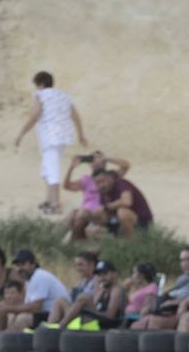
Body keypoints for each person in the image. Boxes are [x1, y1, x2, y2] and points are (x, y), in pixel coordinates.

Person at [13, 71, 88, 215]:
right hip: (64, 137)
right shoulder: (64, 95)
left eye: (36, 85)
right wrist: (81, 136)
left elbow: (34, 116)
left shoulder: (40, 95)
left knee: (51, 168)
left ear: (40, 84)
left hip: (50, 137)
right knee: (47, 167)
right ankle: (48, 200)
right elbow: (76, 117)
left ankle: (55, 204)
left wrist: (21, 134)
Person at [0, 249, 70, 332]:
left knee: (22, 319)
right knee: (11, 315)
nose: (19, 269)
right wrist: (6, 307)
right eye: (17, 266)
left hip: (56, 315)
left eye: (23, 265)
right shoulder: (29, 280)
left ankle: (20, 343)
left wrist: (8, 308)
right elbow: (28, 304)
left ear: (33, 264)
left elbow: (36, 306)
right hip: (44, 313)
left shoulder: (40, 276)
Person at [132, 248, 189, 330]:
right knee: (137, 324)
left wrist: (176, 302)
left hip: (183, 310)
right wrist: (152, 306)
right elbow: (168, 293)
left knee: (151, 322)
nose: (184, 264)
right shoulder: (183, 278)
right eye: (182, 260)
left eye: (188, 259)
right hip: (167, 309)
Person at [71, 168, 152, 240]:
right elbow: (107, 215)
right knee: (93, 214)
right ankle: (80, 239)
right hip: (118, 222)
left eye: (102, 181)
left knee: (122, 212)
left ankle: (131, 243)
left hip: (142, 222)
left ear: (109, 179)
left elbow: (127, 202)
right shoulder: (103, 193)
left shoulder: (121, 184)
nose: (101, 185)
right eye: (97, 183)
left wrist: (106, 207)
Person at [63, 151, 129, 235]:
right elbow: (67, 186)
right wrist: (71, 168)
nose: (96, 162)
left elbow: (126, 166)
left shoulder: (111, 177)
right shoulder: (86, 180)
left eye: (98, 159)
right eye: (92, 160)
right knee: (71, 215)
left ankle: (75, 238)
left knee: (83, 216)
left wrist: (107, 158)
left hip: (103, 214)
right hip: (85, 213)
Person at [48, 260, 124, 329]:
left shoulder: (116, 290)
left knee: (84, 297)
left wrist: (87, 309)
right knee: (60, 301)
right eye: (99, 275)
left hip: (106, 324)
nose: (101, 278)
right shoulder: (103, 290)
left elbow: (110, 316)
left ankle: (61, 326)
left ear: (114, 274)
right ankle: (50, 327)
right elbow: (95, 306)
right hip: (95, 319)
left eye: (104, 274)